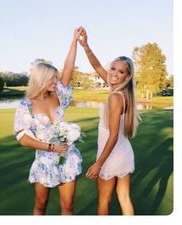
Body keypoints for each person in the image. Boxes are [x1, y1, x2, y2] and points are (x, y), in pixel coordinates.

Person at [14, 28, 83, 215]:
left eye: (56, 77)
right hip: (44, 161)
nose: (56, 81)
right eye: (52, 78)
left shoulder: (59, 93)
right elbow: (23, 139)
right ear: (41, 78)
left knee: (68, 207)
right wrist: (52, 148)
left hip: (68, 158)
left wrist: (74, 41)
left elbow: (68, 68)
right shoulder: (26, 105)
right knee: (40, 206)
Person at [78, 28, 140, 215]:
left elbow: (112, 136)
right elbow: (97, 66)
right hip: (124, 153)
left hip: (111, 155)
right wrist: (86, 46)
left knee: (104, 202)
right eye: (112, 68)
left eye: (120, 71)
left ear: (126, 76)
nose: (113, 74)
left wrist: (98, 164)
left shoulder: (115, 98)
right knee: (124, 198)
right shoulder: (124, 94)